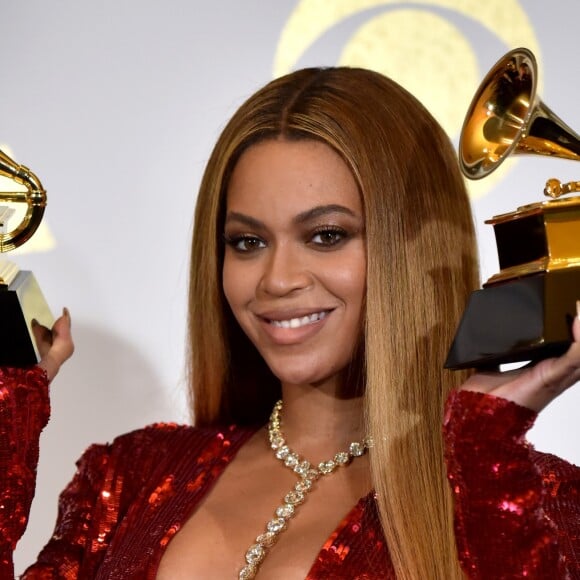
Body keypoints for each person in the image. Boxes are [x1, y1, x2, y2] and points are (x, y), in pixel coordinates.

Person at [1, 67, 579, 579]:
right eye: (247, 242)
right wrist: (9, 409)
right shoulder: (129, 475)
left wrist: (484, 445)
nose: (276, 280)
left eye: (326, 236)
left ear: (416, 249)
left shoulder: (525, 498)